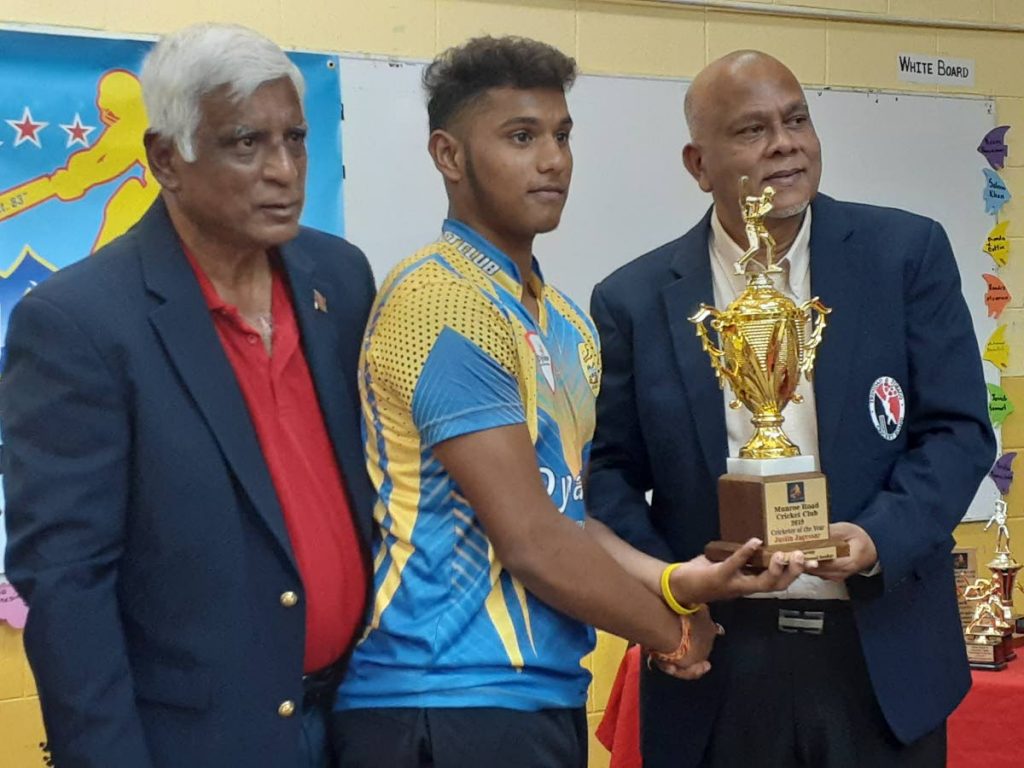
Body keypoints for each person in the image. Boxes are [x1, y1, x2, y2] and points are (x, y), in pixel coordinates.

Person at [331, 37, 804, 768]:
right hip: (440, 698)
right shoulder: (440, 302)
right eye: (521, 137)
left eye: (562, 135)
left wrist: (679, 583)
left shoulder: (566, 320)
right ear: (449, 156)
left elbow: (567, 517)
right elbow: (531, 541)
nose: (553, 159)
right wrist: (669, 630)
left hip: (531, 697)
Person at [587, 49, 995, 768]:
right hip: (721, 664)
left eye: (797, 120)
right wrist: (675, 594)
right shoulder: (634, 298)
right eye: (752, 130)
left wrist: (877, 538)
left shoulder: (904, 255)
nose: (785, 144)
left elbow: (958, 431)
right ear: (698, 164)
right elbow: (611, 476)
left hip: (881, 662)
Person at [1, 23, 375, 768]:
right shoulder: (79, 323)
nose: (284, 170)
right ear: (167, 159)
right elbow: (68, 588)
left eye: (295, 140)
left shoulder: (339, 276)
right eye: (247, 143)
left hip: (361, 719)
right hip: (200, 743)